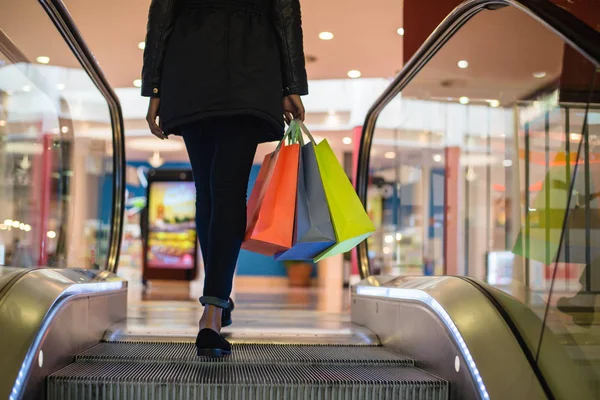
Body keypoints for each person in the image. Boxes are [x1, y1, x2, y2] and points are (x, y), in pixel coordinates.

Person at [141, 0, 308, 357]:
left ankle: (216, 302)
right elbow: (284, 14)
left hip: (189, 68)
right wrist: (291, 83)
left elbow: (163, 15)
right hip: (251, 68)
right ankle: (214, 309)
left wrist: (154, 87)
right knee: (228, 190)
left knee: (209, 193)